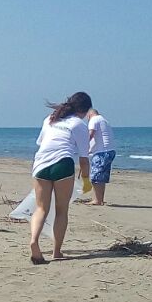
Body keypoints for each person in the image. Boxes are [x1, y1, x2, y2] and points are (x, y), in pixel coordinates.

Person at [29, 92, 92, 263]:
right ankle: (56, 251)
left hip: (41, 164)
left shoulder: (51, 118)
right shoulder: (79, 124)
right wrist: (86, 180)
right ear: (84, 110)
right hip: (62, 164)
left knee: (41, 208)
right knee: (61, 210)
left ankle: (34, 240)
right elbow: (84, 159)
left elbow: (41, 143)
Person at [85, 107, 116, 206]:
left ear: (89, 115)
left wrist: (83, 146)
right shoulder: (104, 120)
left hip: (102, 152)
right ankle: (100, 199)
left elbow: (90, 134)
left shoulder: (94, 120)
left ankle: (97, 200)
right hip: (110, 150)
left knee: (95, 177)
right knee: (101, 177)